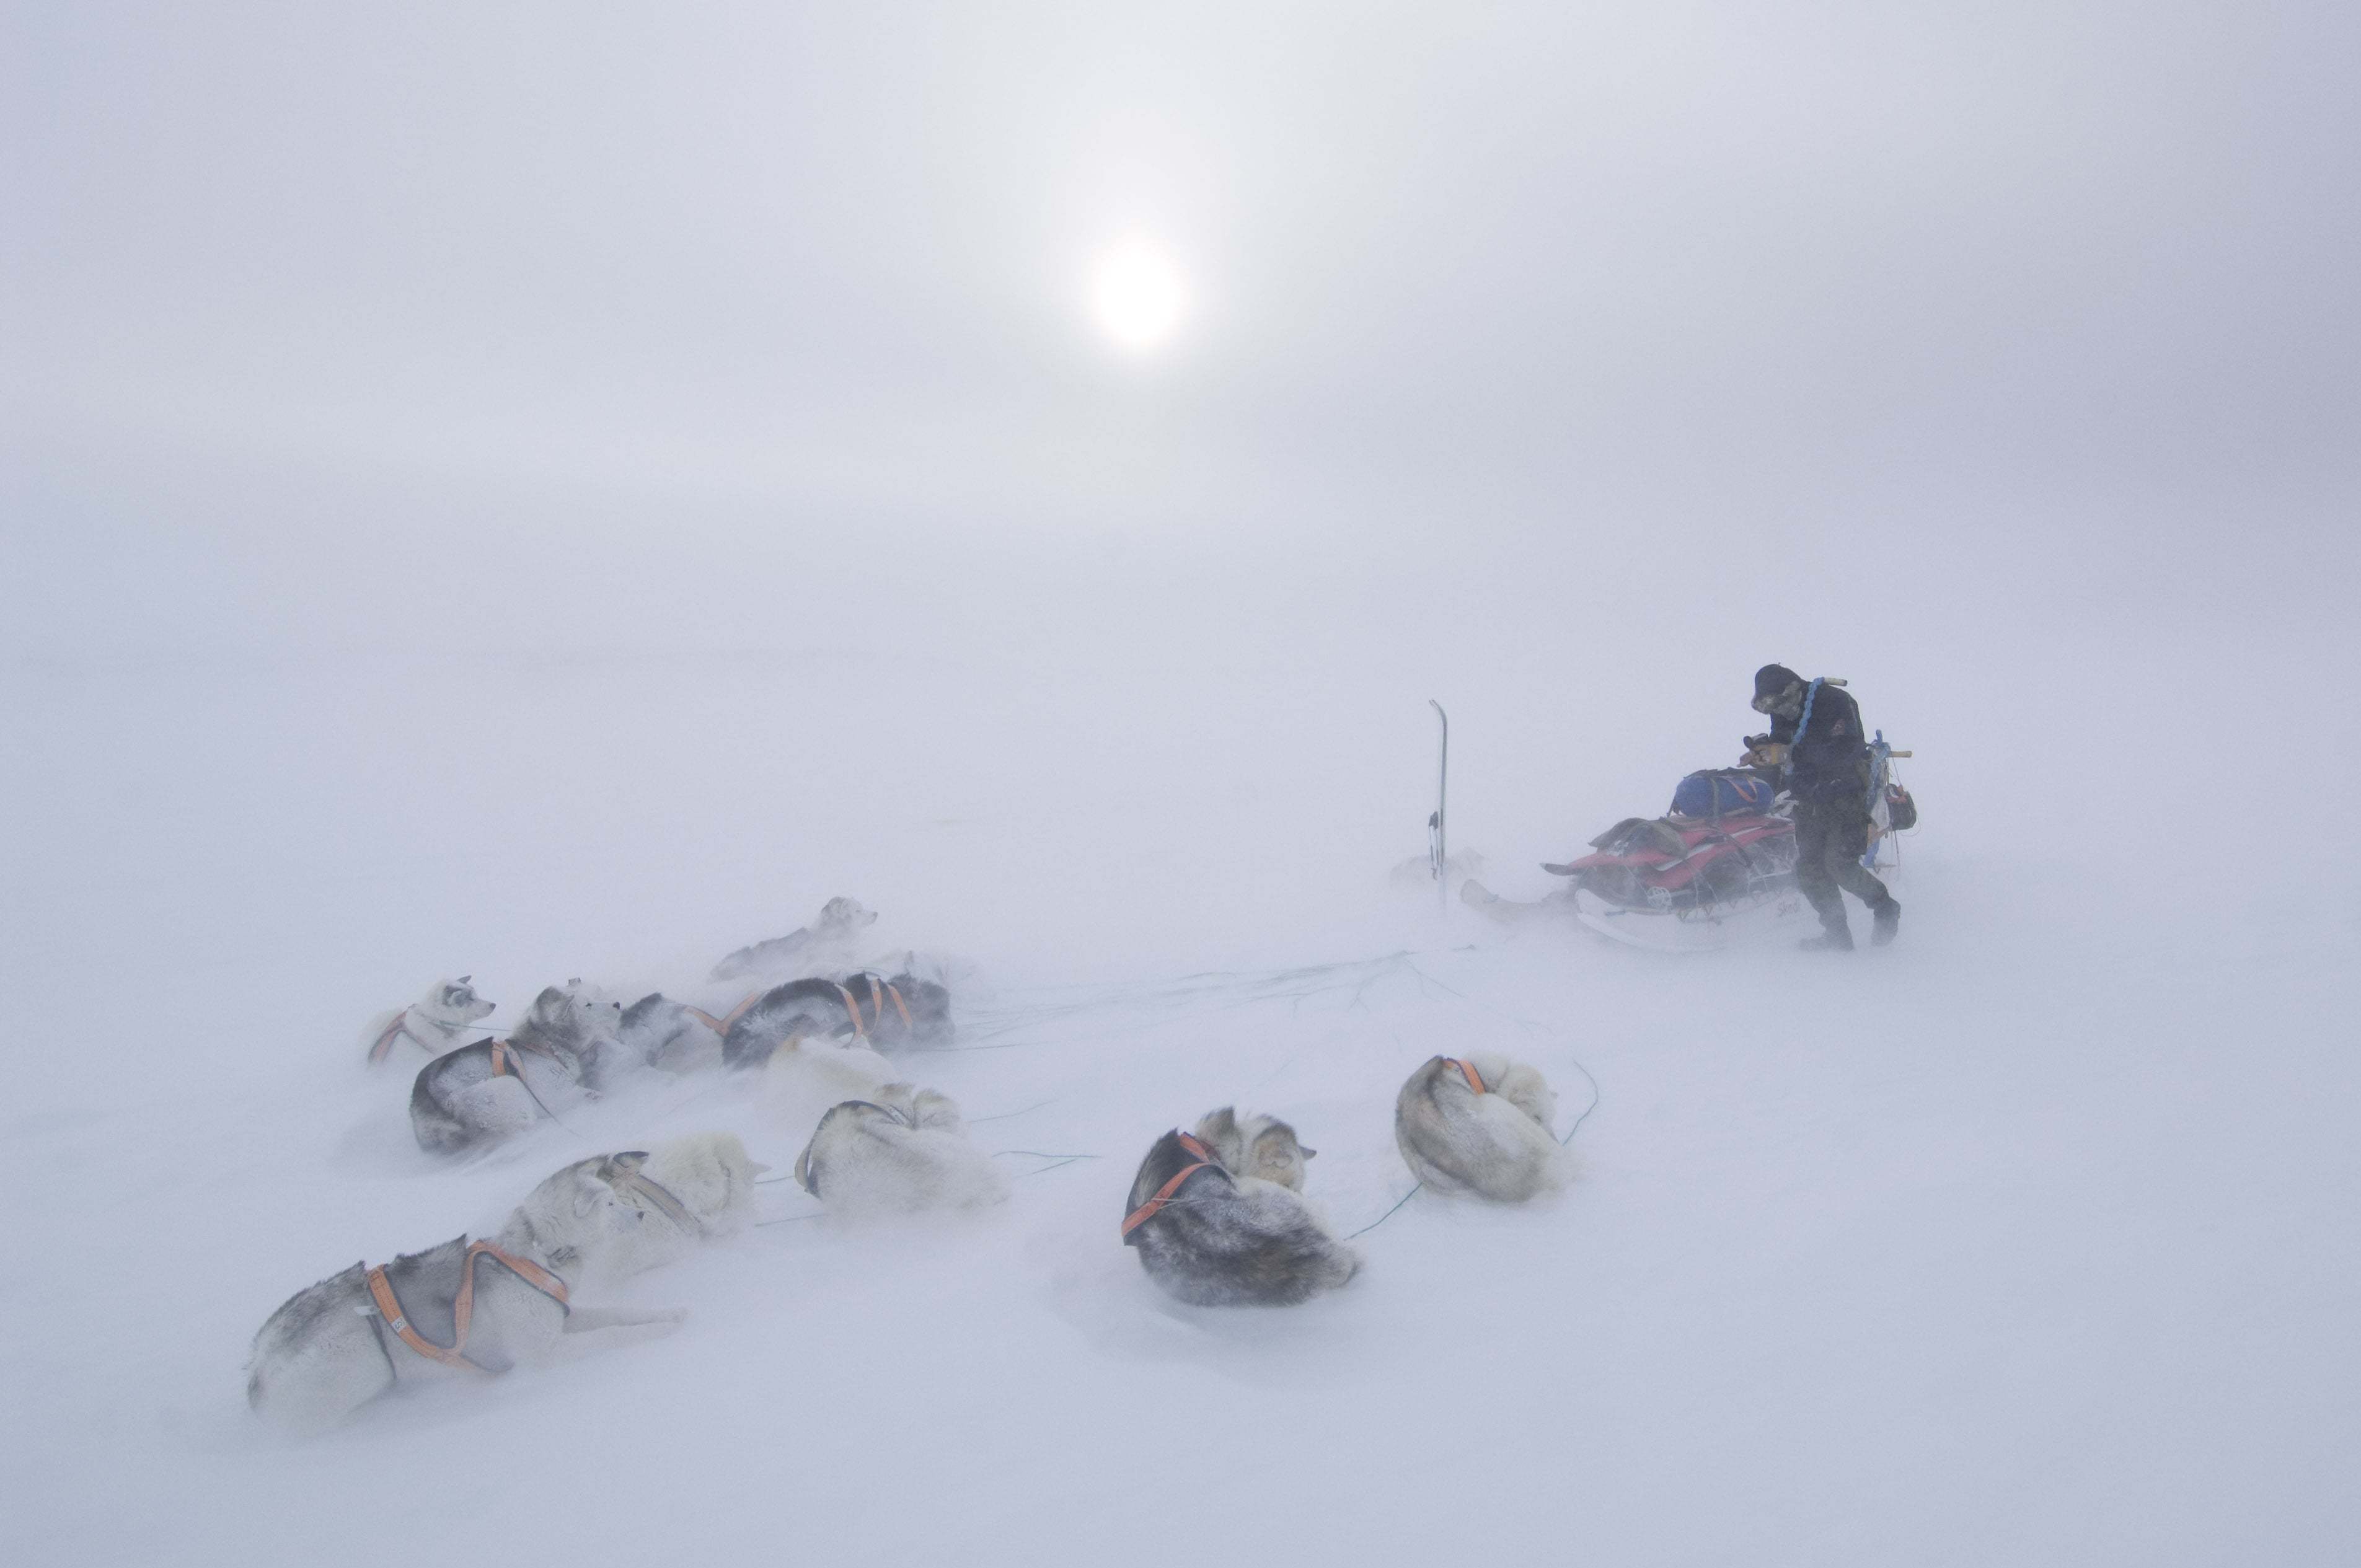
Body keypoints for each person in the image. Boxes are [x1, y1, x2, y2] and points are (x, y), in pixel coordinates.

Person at [1742, 664, 1900, 950]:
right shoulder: (1782, 708)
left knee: (1838, 864)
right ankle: (1837, 934)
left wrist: (1798, 753)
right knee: (1810, 868)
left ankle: (1884, 906)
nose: (1780, 712)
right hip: (1809, 794)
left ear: (1791, 690)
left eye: (1781, 705)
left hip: (1845, 791)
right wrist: (1766, 752)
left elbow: (1848, 748)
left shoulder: (1834, 701)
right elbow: (1783, 739)